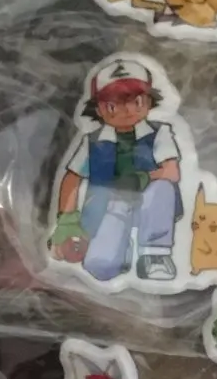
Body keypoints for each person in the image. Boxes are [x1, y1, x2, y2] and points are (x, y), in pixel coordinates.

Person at [51, 58, 182, 283]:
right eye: (113, 105)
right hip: (108, 208)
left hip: (150, 206)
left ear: (149, 102)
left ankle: (155, 254)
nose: (127, 110)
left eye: (136, 101)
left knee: (162, 188)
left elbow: (172, 172)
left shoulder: (159, 133)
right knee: (99, 267)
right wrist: (67, 222)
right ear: (99, 109)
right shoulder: (92, 142)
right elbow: (72, 179)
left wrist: (143, 179)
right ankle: (121, 247)